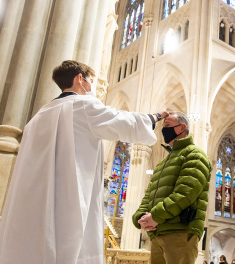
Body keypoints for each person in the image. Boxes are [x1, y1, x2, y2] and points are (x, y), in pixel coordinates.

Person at [0, 60, 169, 263]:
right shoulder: (82, 105)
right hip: (66, 201)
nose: (92, 87)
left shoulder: (37, 117)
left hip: (31, 205)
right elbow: (123, 122)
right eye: (91, 81)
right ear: (80, 79)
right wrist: (155, 116)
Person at [132, 112, 212, 264]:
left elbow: (184, 194)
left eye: (167, 126)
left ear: (182, 128)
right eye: (163, 127)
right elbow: (149, 195)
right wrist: (140, 217)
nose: (164, 130)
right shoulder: (163, 163)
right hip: (158, 232)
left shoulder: (195, 155)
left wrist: (155, 216)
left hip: (180, 231)